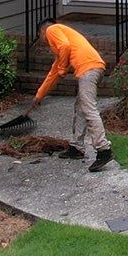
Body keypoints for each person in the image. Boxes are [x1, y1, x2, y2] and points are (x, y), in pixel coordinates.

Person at [33, 22, 112, 171]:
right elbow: (53, 74)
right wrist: (39, 96)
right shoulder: (64, 47)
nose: (45, 42)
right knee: (81, 108)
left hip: (88, 69)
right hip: (94, 67)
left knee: (89, 109)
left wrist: (63, 68)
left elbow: (64, 47)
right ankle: (77, 148)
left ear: (42, 32)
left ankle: (104, 150)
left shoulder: (51, 29)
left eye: (41, 38)